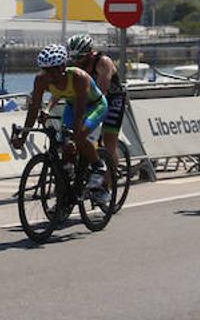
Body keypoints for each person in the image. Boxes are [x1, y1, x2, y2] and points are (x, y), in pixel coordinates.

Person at [12, 44, 110, 203]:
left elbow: (80, 111)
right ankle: (64, 200)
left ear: (63, 66)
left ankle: (99, 166)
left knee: (77, 136)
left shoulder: (79, 77)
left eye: (53, 70)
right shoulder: (41, 80)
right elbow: (34, 107)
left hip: (94, 105)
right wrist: (24, 135)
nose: (49, 75)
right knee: (63, 151)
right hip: (71, 106)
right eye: (45, 70)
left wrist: (73, 136)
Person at [67, 34, 127, 182]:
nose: (76, 61)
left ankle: (107, 184)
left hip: (111, 100)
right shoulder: (74, 64)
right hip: (90, 100)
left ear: (90, 53)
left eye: (80, 57)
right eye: (73, 58)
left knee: (108, 143)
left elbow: (102, 92)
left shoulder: (103, 62)